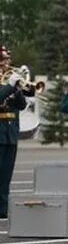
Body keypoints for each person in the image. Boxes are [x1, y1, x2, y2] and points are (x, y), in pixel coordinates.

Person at [0, 46, 28, 219]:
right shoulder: (5, 83)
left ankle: (2, 210)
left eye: (7, 61)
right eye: (3, 61)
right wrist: (10, 86)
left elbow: (21, 105)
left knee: (6, 175)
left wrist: (17, 89)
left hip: (9, 133)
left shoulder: (7, 81)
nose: (6, 64)